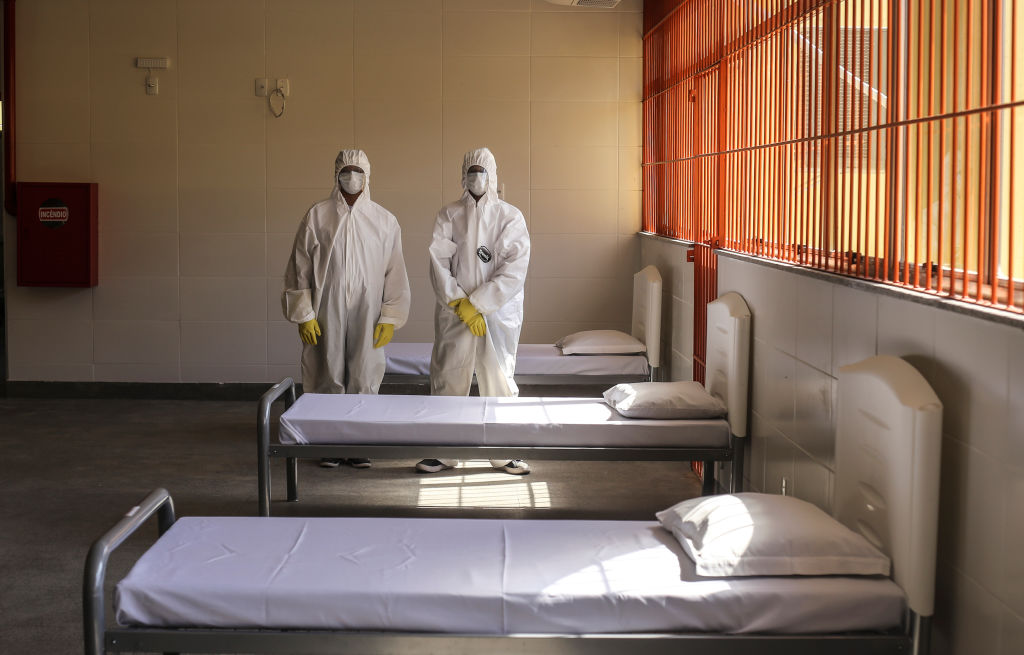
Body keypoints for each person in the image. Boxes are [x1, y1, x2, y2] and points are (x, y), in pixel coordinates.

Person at [282, 149, 410, 469]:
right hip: (327, 306)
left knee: (365, 372)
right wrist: (304, 313)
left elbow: (395, 271)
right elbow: (300, 267)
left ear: (368, 176)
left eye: (357, 172)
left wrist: (391, 316)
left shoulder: (384, 220)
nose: (351, 178)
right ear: (336, 174)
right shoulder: (318, 215)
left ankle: (359, 442)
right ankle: (327, 441)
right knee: (327, 370)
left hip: (369, 310)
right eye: (346, 171)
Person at [417, 147, 531, 475]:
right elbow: (438, 262)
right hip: (456, 313)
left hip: (496, 314)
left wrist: (478, 304)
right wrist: (459, 303)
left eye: (482, 171)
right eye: (471, 171)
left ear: (492, 175)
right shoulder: (449, 214)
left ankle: (505, 451)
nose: (476, 177)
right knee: (449, 376)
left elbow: (514, 269)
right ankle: (443, 451)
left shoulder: (510, 217)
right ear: (463, 175)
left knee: (499, 379)